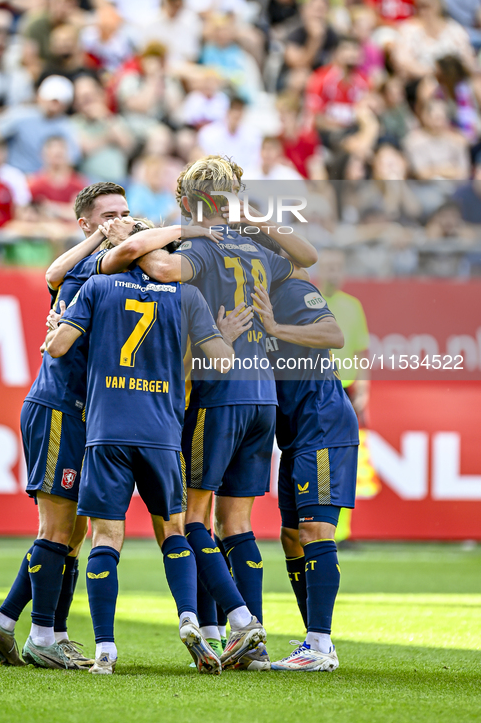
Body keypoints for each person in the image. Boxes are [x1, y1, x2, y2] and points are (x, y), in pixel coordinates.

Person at [33, 219, 242, 672]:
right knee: (173, 531)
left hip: (106, 431)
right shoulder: (188, 296)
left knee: (105, 537)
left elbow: (58, 347)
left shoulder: (97, 287)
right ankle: (189, 617)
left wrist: (56, 327)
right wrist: (218, 333)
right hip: (162, 435)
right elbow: (223, 361)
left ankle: (105, 648)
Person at [136, 155, 318, 671]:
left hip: (219, 394)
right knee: (238, 523)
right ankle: (248, 649)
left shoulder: (200, 246)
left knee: (194, 516)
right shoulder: (257, 247)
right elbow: (306, 260)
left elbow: (160, 267)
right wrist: (256, 219)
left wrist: (166, 233)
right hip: (265, 396)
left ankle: (239, 623)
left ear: (189, 203)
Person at [0, 182, 136, 670]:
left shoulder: (110, 269)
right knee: (58, 527)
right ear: (86, 224)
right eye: (109, 215)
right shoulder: (88, 267)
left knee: (74, 530)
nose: (122, 221)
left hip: (87, 411)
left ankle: (10, 621)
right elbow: (53, 271)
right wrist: (105, 238)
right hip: (59, 405)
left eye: (126, 212)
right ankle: (42, 633)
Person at [251, 253, 354, 672]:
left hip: (323, 424)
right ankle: (312, 639)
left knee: (313, 530)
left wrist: (276, 328)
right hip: (294, 434)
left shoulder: (292, 290)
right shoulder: (244, 300)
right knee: (290, 536)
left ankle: (320, 643)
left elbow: (334, 334)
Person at [317, 247, 371, 544]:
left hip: (346, 389)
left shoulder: (352, 306)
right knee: (319, 458)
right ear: (320, 270)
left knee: (346, 460)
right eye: (329, 266)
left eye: (338, 266)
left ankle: (343, 531)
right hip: (316, 388)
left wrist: (363, 388)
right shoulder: (308, 301)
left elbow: (362, 351)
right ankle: (318, 525)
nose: (333, 272)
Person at [0, 75, 80, 174]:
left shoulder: (68, 127)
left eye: (58, 101)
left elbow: (72, 160)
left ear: (67, 105)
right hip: (16, 176)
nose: (53, 105)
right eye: (52, 99)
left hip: (47, 182)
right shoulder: (21, 114)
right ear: (39, 96)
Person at [393, 0, 476, 80]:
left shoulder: (454, 29)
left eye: (428, 2)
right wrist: (433, 73)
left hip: (456, 78)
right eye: (421, 5)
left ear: (439, 2)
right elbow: (403, 61)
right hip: (423, 79)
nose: (426, 9)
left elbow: (468, 58)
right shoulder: (408, 30)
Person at [305, 36, 371, 152]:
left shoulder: (363, 82)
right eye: (347, 49)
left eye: (355, 50)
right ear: (336, 53)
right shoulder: (321, 79)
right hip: (329, 133)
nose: (351, 54)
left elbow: (365, 115)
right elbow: (316, 118)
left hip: (354, 131)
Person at [29, 135, 86, 221]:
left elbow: (79, 214)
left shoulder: (78, 183)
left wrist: (51, 208)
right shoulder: (34, 183)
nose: (57, 152)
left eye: (60, 152)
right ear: (43, 155)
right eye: (52, 151)